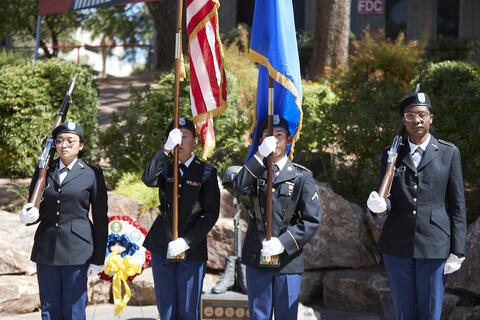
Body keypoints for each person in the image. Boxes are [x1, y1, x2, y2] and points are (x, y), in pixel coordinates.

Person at [367, 90, 467, 320]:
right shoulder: (391, 154)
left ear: (431, 117)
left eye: (422, 115)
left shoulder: (448, 153)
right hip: (396, 244)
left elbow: (457, 205)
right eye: (410, 116)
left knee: (430, 312)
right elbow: (387, 197)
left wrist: (458, 249)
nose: (417, 121)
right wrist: (379, 207)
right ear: (403, 120)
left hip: (434, 245)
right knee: (403, 311)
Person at [232, 115, 322, 320]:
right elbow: (238, 186)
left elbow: (312, 219)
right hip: (258, 254)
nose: (274, 139)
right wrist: (258, 156)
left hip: (288, 260)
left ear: (289, 140)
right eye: (267, 135)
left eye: (279, 135)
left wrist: (283, 243)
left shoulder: (301, 176)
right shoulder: (255, 170)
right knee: (259, 315)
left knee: (286, 315)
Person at [18, 121, 108, 320]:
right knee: (49, 310)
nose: (64, 145)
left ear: (81, 145)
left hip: (78, 250)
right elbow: (36, 208)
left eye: (70, 141)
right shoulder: (44, 172)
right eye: (59, 141)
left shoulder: (92, 174)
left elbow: (101, 218)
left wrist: (99, 258)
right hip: (47, 248)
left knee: (74, 310)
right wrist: (28, 216)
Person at [142, 117, 220, 320]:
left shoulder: (206, 172)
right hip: (163, 244)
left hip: (191, 248)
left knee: (188, 311)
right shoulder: (165, 167)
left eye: (185, 136)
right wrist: (165, 151)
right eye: (175, 136)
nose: (180, 141)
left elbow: (211, 214)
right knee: (166, 311)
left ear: (194, 140)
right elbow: (148, 178)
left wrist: (187, 241)